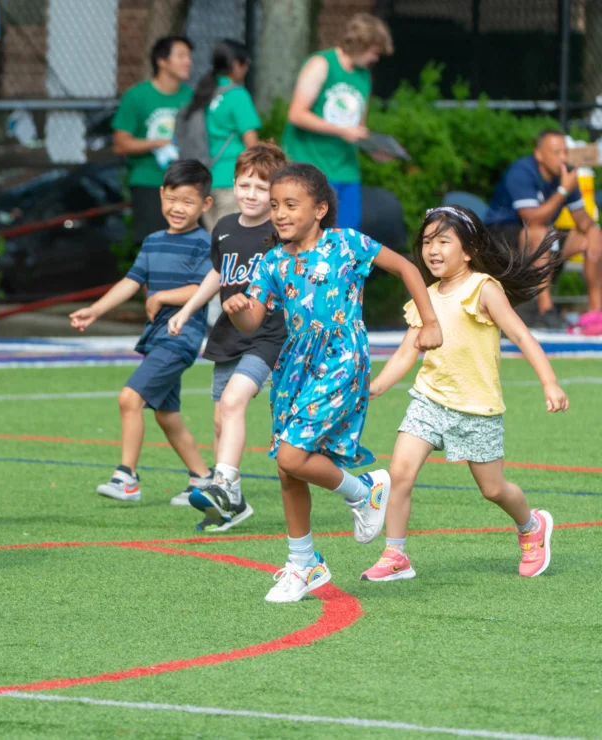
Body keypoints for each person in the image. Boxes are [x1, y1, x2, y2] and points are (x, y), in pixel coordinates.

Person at [222, 162, 442, 604]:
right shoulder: (270, 262)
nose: (279, 213)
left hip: (343, 358)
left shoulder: (347, 244)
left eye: (290, 205)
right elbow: (253, 323)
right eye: (274, 206)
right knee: (289, 469)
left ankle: (364, 492)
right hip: (295, 366)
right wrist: (239, 308)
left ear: (320, 208)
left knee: (291, 454)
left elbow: (407, 269)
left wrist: (429, 321)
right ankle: (304, 564)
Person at [364, 206, 567, 582]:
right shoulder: (426, 295)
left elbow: (521, 335)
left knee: (493, 489)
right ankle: (395, 554)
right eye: (427, 242)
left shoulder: (483, 288)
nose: (433, 250)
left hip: (477, 408)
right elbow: (408, 351)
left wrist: (549, 381)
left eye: (444, 241)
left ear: (469, 250)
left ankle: (530, 525)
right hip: (429, 400)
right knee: (400, 473)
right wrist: (375, 386)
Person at [69, 160, 214, 505]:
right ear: (161, 194)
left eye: (189, 201)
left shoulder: (203, 243)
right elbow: (131, 281)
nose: (178, 208)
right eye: (173, 198)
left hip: (180, 338)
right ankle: (203, 479)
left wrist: (162, 295)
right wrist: (96, 309)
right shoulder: (152, 241)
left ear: (206, 205)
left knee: (129, 398)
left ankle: (126, 478)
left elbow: (202, 287)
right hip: (157, 338)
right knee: (167, 415)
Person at [167, 143, 289, 529]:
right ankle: (231, 503)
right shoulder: (223, 228)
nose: (251, 194)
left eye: (261, 187)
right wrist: (187, 310)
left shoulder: (281, 232)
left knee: (235, 401)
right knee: (221, 418)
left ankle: (222, 482)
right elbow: (218, 275)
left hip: (267, 335)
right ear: (233, 185)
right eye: (244, 184)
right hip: (228, 334)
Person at [282, 13, 393, 232]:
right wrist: (341, 130)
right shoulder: (321, 64)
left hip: (347, 171)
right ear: (361, 44)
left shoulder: (364, 76)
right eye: (374, 51)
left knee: (347, 240)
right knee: (312, 238)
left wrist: (373, 148)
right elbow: (296, 114)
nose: (376, 58)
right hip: (312, 167)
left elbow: (357, 128)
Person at [483, 128, 602, 329]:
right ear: (539, 154)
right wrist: (563, 190)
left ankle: (595, 312)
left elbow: (582, 219)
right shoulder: (521, 172)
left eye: (565, 152)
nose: (563, 157)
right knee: (540, 232)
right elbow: (532, 219)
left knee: (590, 236)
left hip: (541, 240)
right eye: (556, 153)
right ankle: (545, 309)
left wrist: (593, 230)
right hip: (501, 238)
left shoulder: (564, 175)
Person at [112, 36, 194, 246]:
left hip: (186, 184)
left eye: (189, 56)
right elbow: (120, 144)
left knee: (188, 247)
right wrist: (157, 143)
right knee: (153, 249)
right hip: (149, 182)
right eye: (181, 56)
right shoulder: (137, 96)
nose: (188, 62)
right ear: (162, 61)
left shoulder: (192, 98)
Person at [182, 39, 261, 230]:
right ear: (235, 65)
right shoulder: (237, 95)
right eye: (246, 64)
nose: (246, 69)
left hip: (206, 179)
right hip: (232, 178)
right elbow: (252, 144)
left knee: (215, 241)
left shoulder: (204, 93)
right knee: (234, 241)